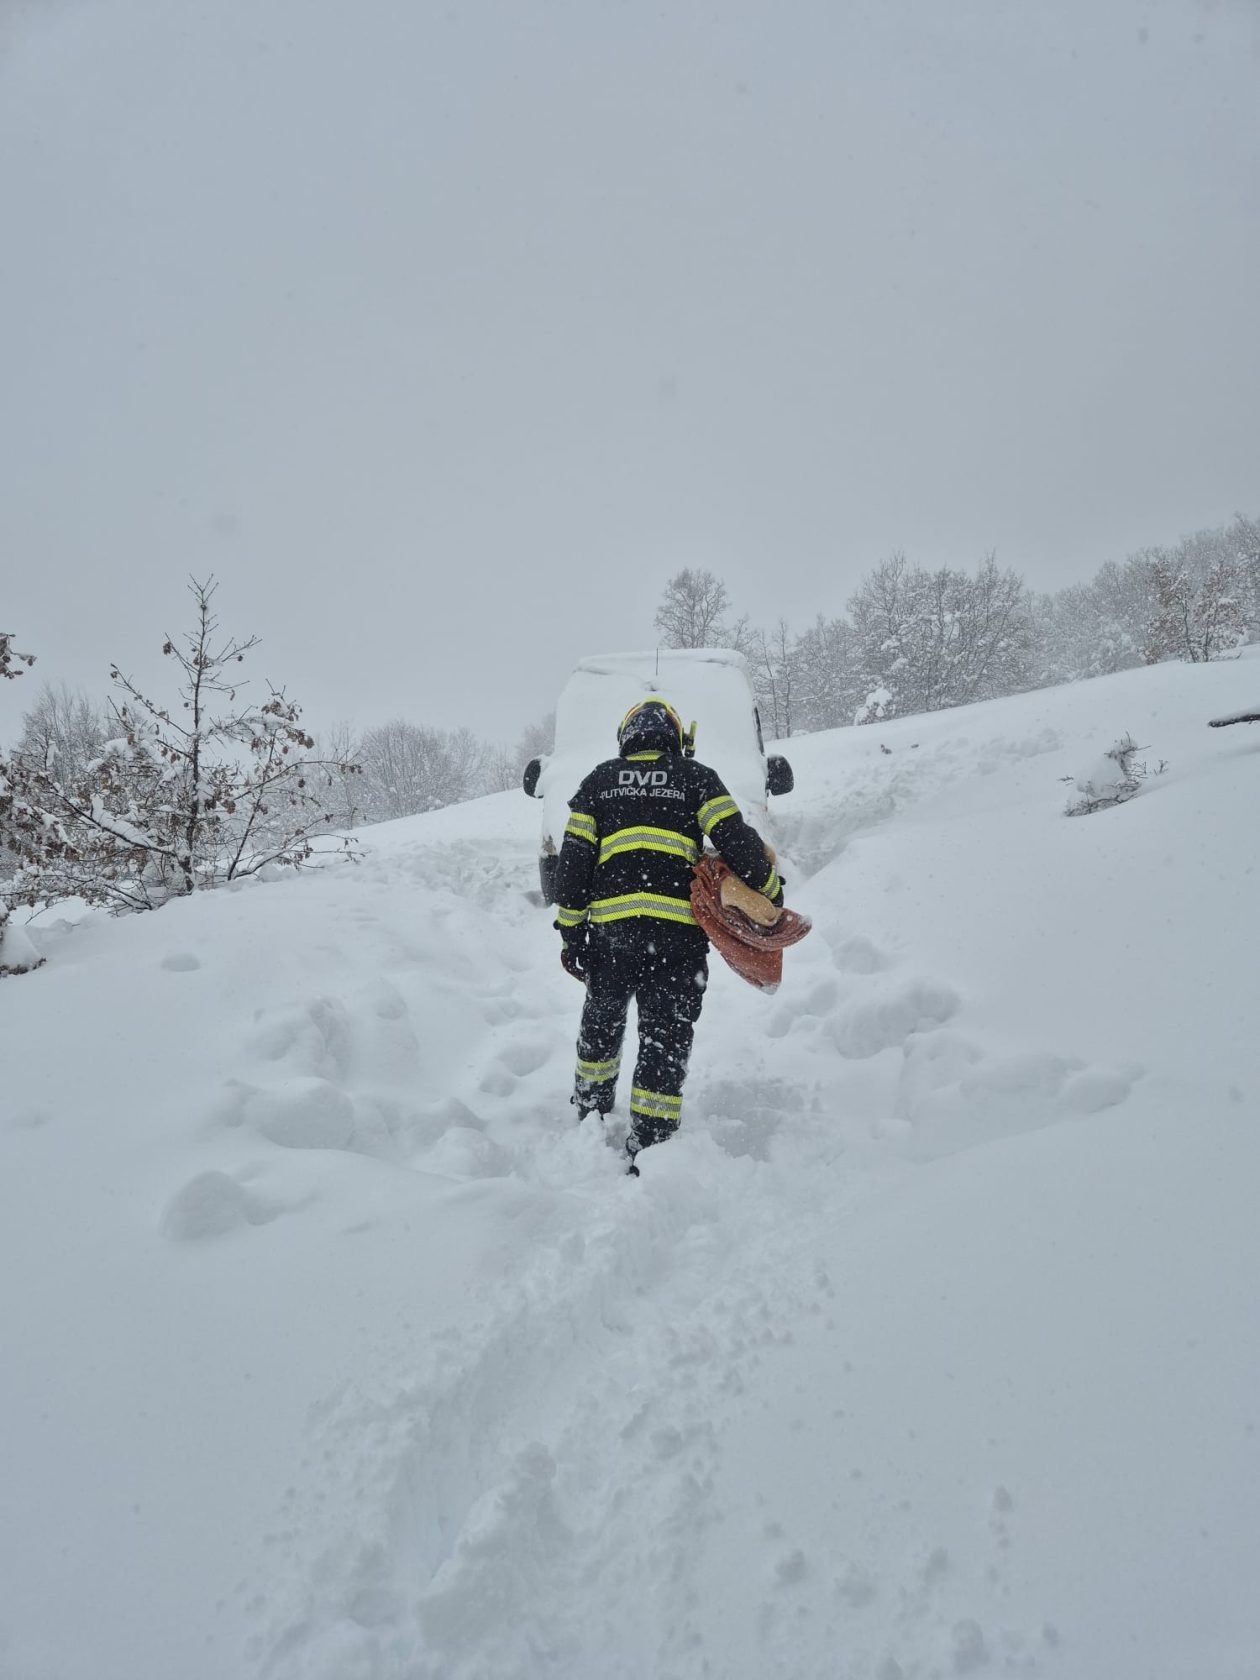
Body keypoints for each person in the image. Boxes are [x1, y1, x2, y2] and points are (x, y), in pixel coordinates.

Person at [552, 697, 782, 1173]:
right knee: (665, 1036)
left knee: (602, 1022)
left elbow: (572, 865)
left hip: (612, 937)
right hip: (675, 940)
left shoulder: (598, 782)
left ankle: (591, 1110)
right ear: (678, 739)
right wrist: (770, 890)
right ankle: (651, 1143)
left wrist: (572, 936)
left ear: (627, 736)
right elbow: (739, 842)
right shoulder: (697, 779)